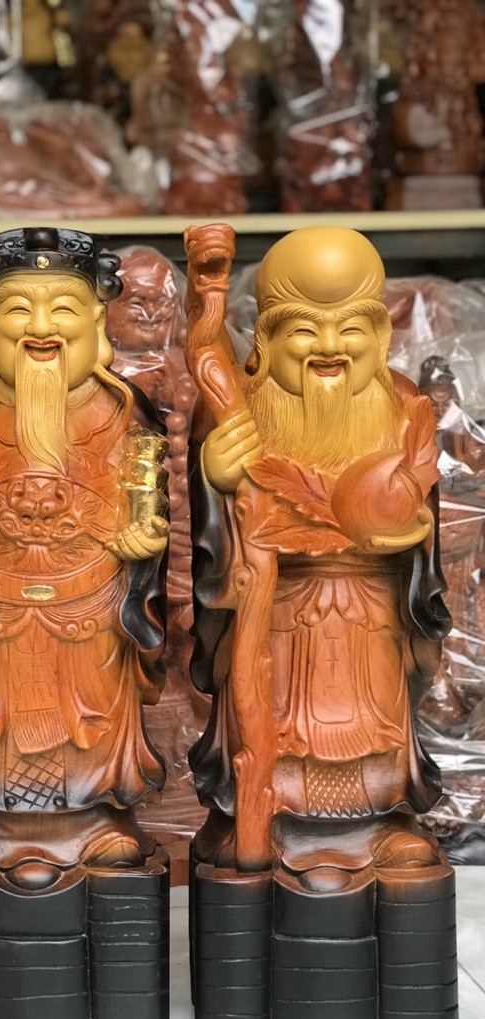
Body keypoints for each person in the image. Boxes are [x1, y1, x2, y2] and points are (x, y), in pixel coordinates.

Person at [190, 226, 451, 887]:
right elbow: (213, 542)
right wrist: (213, 479)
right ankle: (266, 817)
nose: (330, 346)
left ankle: (378, 822)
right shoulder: (238, 410)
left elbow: (422, 514)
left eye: (351, 328)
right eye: (304, 330)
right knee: (273, 721)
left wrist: (403, 525)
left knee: (373, 718)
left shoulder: (403, 407)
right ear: (265, 340)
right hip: (273, 604)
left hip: (373, 605)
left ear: (381, 336)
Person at [0, 227, 169, 888]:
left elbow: (147, 503)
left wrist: (144, 544)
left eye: (63, 309)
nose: (41, 326)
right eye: (20, 309)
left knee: (89, 712)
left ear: (95, 320)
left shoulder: (124, 411)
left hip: (92, 604)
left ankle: (97, 817)